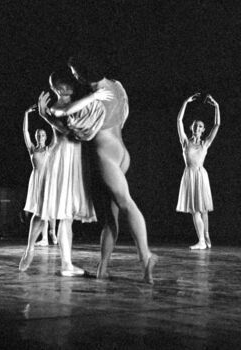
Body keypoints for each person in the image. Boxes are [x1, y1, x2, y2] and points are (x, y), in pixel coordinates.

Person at [38, 55, 158, 284]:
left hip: (106, 157)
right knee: (111, 216)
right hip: (122, 152)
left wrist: (48, 117)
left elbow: (74, 131)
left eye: (74, 73)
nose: (73, 76)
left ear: (82, 75)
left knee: (125, 204)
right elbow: (123, 114)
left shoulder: (91, 104)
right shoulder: (118, 87)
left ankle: (146, 255)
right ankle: (103, 268)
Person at [19, 72, 112, 276]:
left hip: (74, 162)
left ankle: (67, 264)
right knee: (45, 209)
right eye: (63, 86)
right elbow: (65, 123)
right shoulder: (56, 107)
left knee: (66, 215)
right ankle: (30, 248)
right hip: (59, 160)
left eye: (69, 84)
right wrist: (93, 97)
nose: (68, 88)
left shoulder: (75, 104)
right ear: (57, 89)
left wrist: (94, 104)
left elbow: (79, 122)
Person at [176, 93, 220, 249]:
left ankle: (205, 239)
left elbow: (216, 126)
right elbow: (179, 120)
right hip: (190, 175)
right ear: (192, 127)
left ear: (203, 130)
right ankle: (202, 240)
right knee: (195, 209)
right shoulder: (185, 142)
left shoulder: (205, 144)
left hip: (201, 175)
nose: (198, 127)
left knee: (203, 210)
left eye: (201, 126)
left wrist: (217, 106)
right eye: (195, 125)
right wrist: (185, 102)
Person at [23, 105, 57, 246]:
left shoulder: (49, 148)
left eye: (42, 135)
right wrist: (26, 114)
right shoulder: (32, 148)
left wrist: (50, 118)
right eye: (38, 135)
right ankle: (44, 238)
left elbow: (56, 135)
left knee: (49, 207)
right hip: (36, 179)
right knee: (40, 208)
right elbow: (25, 131)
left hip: (47, 179)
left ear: (45, 137)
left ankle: (52, 232)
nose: (40, 137)